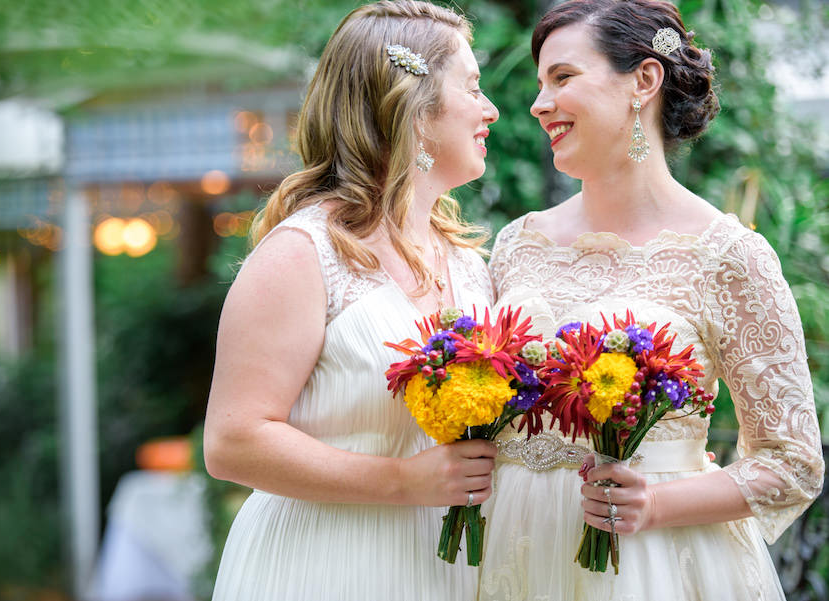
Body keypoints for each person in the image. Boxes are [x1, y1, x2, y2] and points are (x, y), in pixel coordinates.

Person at [479, 1, 824, 600]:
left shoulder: (728, 255)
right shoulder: (516, 244)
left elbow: (793, 463)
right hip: (508, 549)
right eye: (541, 83)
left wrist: (656, 504)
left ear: (644, 80)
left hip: (653, 564)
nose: (538, 104)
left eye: (563, 77)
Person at [202, 2, 500, 600]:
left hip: (444, 569)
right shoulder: (303, 253)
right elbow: (232, 442)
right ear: (414, 107)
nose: (490, 108)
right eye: (471, 86)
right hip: (324, 564)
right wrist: (399, 481)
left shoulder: (470, 267)